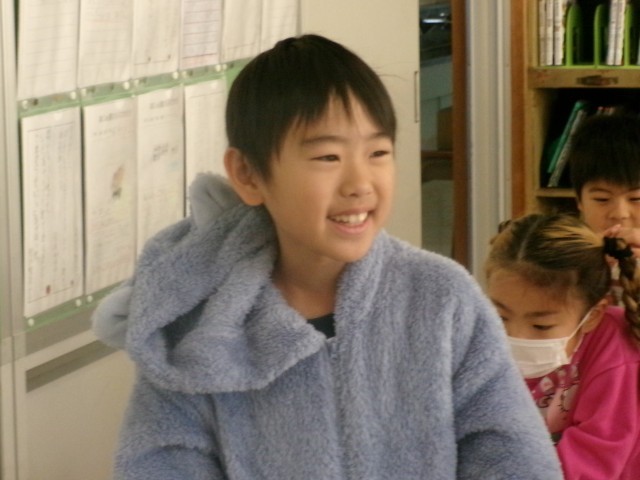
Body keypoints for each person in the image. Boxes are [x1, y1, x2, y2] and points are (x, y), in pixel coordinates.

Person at [92, 34, 562, 479]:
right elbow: (160, 462)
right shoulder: (202, 327)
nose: (360, 183)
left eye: (378, 152)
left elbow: (513, 455)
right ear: (248, 174)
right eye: (327, 158)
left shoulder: (440, 297)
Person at [485, 213, 640, 480]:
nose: (516, 336)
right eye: (501, 317)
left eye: (541, 326)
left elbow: (594, 458)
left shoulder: (616, 355)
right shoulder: (473, 336)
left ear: (592, 316)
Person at [568, 112, 640, 255]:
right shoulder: (562, 257)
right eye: (602, 199)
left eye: (636, 198)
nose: (620, 214)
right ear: (579, 201)